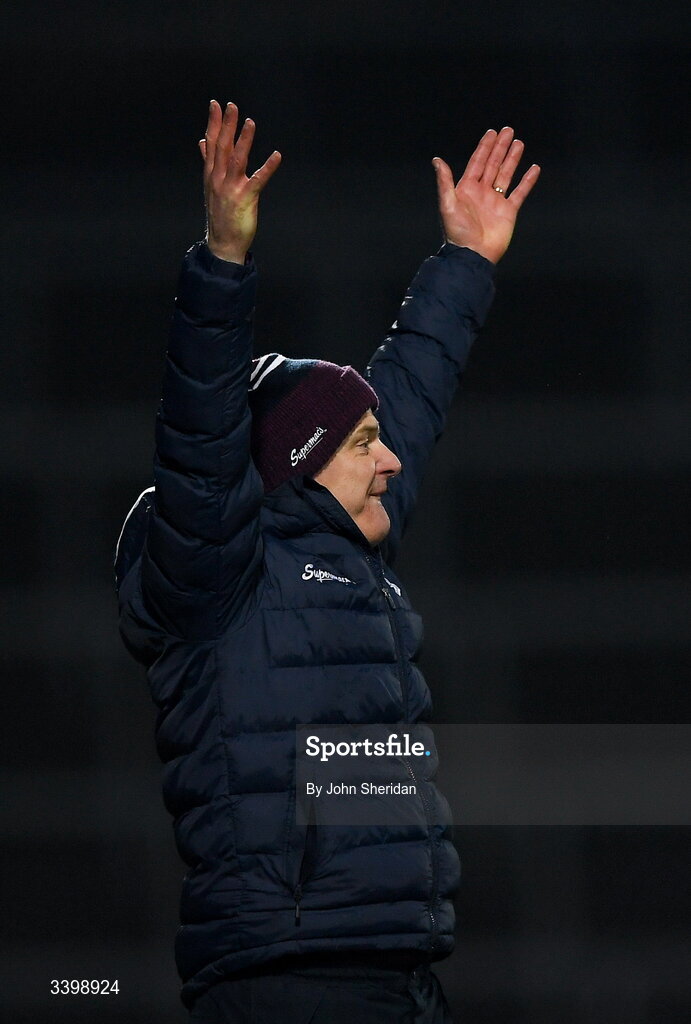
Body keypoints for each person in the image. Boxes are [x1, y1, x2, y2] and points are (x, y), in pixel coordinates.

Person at [115, 100, 539, 1023]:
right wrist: (222, 263)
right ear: (299, 468)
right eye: (361, 445)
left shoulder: (349, 544)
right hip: (289, 982)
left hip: (396, 972)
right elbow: (199, 430)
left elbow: (413, 391)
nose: (390, 459)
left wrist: (466, 258)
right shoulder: (219, 577)